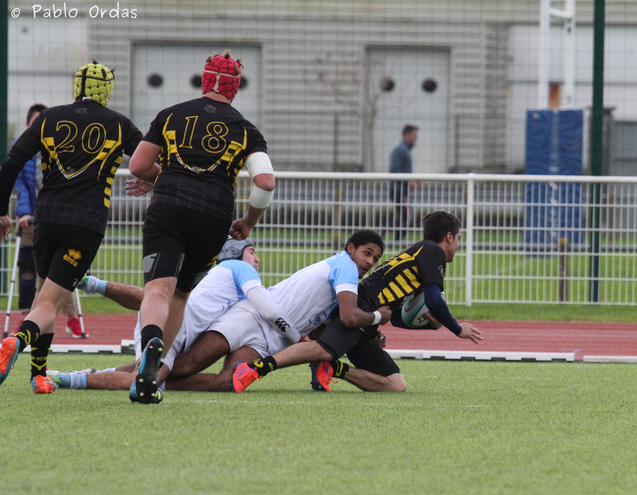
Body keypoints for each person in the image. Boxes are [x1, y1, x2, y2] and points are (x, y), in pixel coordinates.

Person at [52, 230, 389, 398]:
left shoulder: (233, 281)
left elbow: (319, 322)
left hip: (261, 335)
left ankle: (120, 371)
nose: (257, 259)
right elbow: (268, 308)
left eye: (375, 258)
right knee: (163, 372)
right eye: (253, 252)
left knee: (227, 382)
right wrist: (376, 317)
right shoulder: (240, 271)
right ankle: (73, 379)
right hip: (239, 321)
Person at [125, 50, 277, 404]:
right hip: (213, 217)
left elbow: (138, 166)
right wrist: (247, 222)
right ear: (235, 88)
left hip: (167, 209)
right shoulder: (246, 130)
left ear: (205, 80)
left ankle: (149, 346)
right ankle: (156, 370)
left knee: (158, 290)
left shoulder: (171, 114)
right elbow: (265, 183)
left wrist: (164, 179)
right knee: (180, 294)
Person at [0, 61, 150, 394]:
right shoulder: (119, 124)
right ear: (107, 90)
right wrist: (150, 181)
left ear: (76, 86)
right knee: (49, 302)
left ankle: (38, 375)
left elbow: (11, 163)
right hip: (85, 224)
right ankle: (16, 341)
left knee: (46, 294)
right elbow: (149, 161)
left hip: (46, 220)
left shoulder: (48, 118)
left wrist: (1, 213)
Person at [233, 210, 483, 393]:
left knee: (396, 385)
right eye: (459, 238)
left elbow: (397, 317)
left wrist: (430, 323)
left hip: (369, 321)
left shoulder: (421, 254)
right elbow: (434, 300)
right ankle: (255, 369)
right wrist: (457, 329)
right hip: (361, 307)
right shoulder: (432, 250)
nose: (458, 245)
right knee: (323, 349)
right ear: (449, 236)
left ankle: (333, 369)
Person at [13, 103, 87, 338]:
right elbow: (21, 187)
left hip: (58, 217)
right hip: (33, 219)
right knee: (28, 269)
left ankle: (71, 317)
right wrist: (24, 213)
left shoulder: (63, 147)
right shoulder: (23, 151)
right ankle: (27, 317)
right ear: (28, 125)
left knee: (62, 269)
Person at [388, 124, 418, 241]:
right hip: (398, 190)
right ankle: (383, 233)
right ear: (407, 134)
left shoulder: (404, 150)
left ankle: (396, 241)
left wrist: (412, 179)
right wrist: (408, 181)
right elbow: (394, 169)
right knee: (407, 217)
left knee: (404, 217)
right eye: (414, 135)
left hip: (401, 189)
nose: (416, 138)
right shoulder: (400, 150)